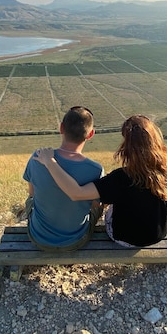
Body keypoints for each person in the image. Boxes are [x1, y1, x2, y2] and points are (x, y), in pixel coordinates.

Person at [34, 114, 167, 248]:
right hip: (157, 235)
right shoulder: (166, 171)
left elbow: (76, 193)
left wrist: (50, 161)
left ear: (127, 146)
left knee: (101, 203)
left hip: (126, 239)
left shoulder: (121, 178)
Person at [23, 106, 104, 251]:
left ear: (61, 128)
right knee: (100, 205)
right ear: (90, 134)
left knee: (30, 201)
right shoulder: (96, 170)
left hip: (38, 238)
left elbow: (32, 194)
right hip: (75, 241)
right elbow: (94, 205)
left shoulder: (37, 157)